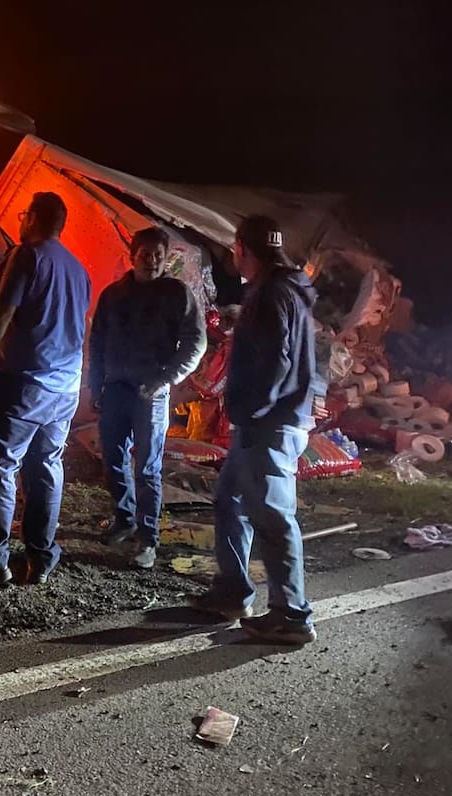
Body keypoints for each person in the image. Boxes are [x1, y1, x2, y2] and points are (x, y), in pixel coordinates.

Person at [190, 215, 318, 645]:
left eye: (235, 249)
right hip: (271, 419)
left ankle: (292, 615)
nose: (233, 257)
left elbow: (276, 361)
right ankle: (232, 592)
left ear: (243, 248)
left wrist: (251, 409)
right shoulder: (287, 289)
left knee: (273, 517)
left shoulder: (272, 293)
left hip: (269, 423)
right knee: (230, 500)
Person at [0, 192, 91, 585]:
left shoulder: (27, 255)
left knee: (2, 464)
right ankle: (41, 555)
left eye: (23, 215)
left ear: (33, 218)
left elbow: (2, 309)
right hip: (66, 387)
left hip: (24, 383)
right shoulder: (78, 269)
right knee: (46, 466)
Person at [88, 226, 206, 569]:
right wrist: (96, 386)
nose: (152, 260)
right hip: (115, 391)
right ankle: (124, 521)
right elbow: (96, 343)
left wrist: (165, 379)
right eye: (146, 253)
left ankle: (148, 538)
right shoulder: (113, 295)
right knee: (112, 460)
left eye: (158, 254)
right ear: (132, 254)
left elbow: (195, 342)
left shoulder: (177, 294)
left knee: (148, 468)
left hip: (150, 394)